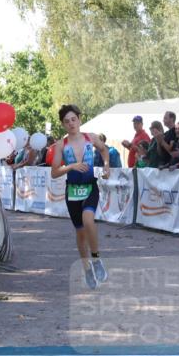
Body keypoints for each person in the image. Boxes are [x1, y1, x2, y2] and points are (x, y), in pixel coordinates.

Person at [51, 104, 110, 290]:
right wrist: (71, 166)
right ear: (63, 124)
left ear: (79, 119)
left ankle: (97, 259)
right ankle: (86, 268)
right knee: (80, 232)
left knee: (88, 219)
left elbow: (104, 150)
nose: (71, 123)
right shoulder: (61, 145)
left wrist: (107, 166)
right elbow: (54, 172)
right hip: (73, 190)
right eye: (67, 121)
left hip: (90, 186)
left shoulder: (90, 138)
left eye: (73, 119)